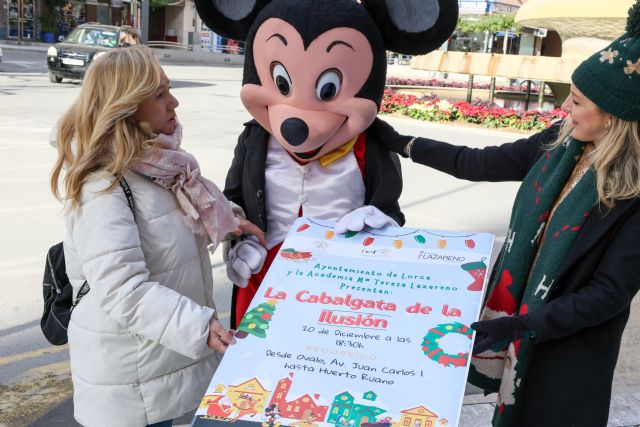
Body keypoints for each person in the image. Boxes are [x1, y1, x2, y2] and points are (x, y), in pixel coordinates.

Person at [379, 4, 640, 425]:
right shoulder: (560, 142)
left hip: (569, 351)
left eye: (576, 102)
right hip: (521, 327)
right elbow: (480, 162)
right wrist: (402, 143)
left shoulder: (632, 193)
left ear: (613, 117)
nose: (566, 110)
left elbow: (608, 295)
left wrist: (525, 325)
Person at [49, 46, 265, 427]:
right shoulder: (103, 185)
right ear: (128, 105)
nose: (174, 101)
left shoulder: (154, 164)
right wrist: (200, 326)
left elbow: (170, 217)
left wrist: (229, 219)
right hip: (129, 386)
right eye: (160, 94)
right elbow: (123, 288)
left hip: (156, 366)